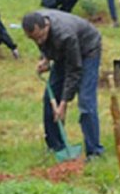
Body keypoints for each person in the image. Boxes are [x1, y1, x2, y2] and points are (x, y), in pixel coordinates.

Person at [22, 10, 104, 159]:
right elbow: (44, 44)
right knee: (50, 97)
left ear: (46, 26)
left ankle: (94, 151)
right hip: (63, 52)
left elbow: (74, 70)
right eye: (34, 39)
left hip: (88, 50)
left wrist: (63, 104)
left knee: (86, 101)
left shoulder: (65, 34)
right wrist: (46, 59)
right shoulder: (37, 22)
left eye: (40, 37)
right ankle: (56, 146)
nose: (39, 42)